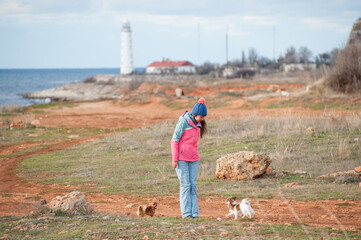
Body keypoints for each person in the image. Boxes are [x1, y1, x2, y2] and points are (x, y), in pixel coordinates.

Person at [171, 97, 208, 219]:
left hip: (194, 159)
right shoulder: (184, 122)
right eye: (201, 117)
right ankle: (186, 214)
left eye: (203, 118)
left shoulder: (198, 124)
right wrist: (175, 159)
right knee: (185, 185)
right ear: (195, 114)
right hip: (181, 159)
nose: (202, 120)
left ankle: (195, 214)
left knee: (193, 186)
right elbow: (175, 140)